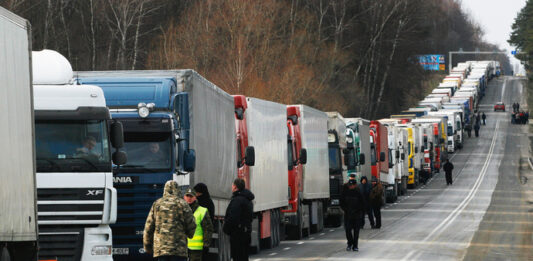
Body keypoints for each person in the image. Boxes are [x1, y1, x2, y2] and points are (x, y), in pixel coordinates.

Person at [143, 180, 197, 261]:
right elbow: (191, 224)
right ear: (178, 190)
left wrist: (147, 246)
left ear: (165, 190)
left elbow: (149, 226)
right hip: (179, 250)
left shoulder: (157, 204)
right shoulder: (183, 204)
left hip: (161, 249)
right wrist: (190, 234)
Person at [223, 178, 254, 261]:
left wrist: (226, 229)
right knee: (244, 256)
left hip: (238, 234)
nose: (231, 187)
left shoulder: (237, 201)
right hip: (246, 232)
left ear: (235, 187)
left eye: (232, 185)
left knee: (237, 257)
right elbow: (250, 217)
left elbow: (232, 218)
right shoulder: (248, 200)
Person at [184, 188, 213, 261]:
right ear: (184, 197)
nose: (189, 198)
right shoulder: (180, 210)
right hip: (182, 247)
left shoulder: (202, 211)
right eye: (187, 196)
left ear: (195, 197)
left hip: (196, 249)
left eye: (191, 196)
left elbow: (208, 229)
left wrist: (206, 244)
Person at [340, 176, 364, 252]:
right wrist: (346, 210)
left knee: (356, 231)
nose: (351, 187)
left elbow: (362, 203)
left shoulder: (358, 192)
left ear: (355, 185)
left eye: (352, 185)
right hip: (348, 214)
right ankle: (350, 243)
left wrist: (358, 211)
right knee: (348, 230)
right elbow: (342, 203)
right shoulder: (345, 193)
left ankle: (355, 246)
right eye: (350, 185)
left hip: (357, 215)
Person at [194, 183, 216, 261]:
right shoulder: (210, 202)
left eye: (196, 192)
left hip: (196, 238)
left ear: (200, 192)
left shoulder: (198, 203)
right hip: (205, 238)